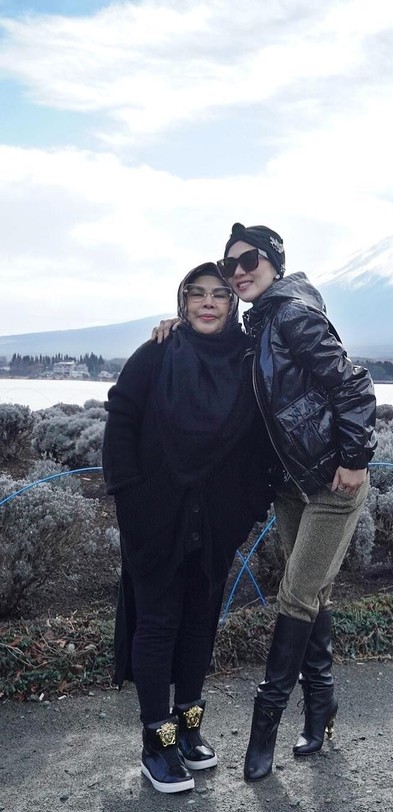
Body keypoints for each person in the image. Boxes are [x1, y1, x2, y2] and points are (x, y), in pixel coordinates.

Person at [103, 262, 272, 794]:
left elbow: (261, 441)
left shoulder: (247, 361)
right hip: (155, 516)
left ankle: (188, 729)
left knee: (200, 621)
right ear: (181, 304)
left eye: (218, 295)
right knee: (158, 623)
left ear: (232, 304)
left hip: (217, 520)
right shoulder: (158, 351)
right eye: (195, 294)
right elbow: (122, 415)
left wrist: (249, 507)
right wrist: (128, 496)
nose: (206, 303)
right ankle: (158, 739)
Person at [219, 223, 377, 781]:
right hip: (293, 483)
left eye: (250, 259)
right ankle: (321, 708)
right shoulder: (260, 319)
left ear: (274, 261)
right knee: (315, 591)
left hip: (333, 485)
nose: (238, 270)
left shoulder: (290, 314)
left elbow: (353, 385)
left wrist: (355, 458)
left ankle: (264, 728)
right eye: (229, 263)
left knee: (296, 593)